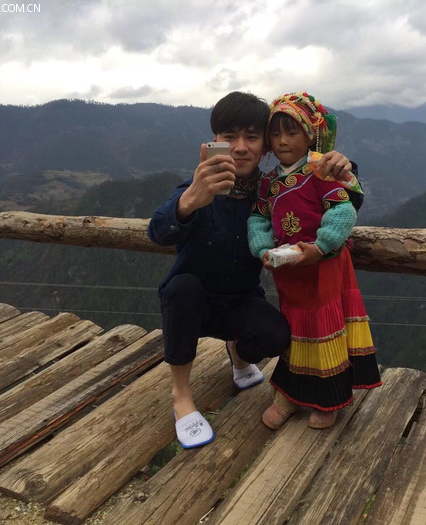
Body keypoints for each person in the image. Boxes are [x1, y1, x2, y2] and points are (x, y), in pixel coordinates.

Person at [147, 91, 356, 448]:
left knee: (275, 335)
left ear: (265, 146)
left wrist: (343, 168)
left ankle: (239, 356)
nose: (240, 147)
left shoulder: (271, 191)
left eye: (252, 137)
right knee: (181, 288)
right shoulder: (199, 188)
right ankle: (181, 395)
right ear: (213, 141)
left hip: (240, 300)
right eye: (229, 137)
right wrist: (190, 200)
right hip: (191, 304)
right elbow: (157, 232)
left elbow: (320, 193)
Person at [247, 91, 382, 430]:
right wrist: (262, 249)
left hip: (325, 266)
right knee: (294, 331)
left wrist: (321, 246)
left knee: (324, 327)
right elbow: (258, 219)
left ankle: (328, 399)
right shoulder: (268, 182)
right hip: (291, 271)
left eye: (292, 132)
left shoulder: (321, 170)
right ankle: (290, 395)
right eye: (275, 134)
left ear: (310, 135)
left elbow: (342, 210)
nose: (282, 141)